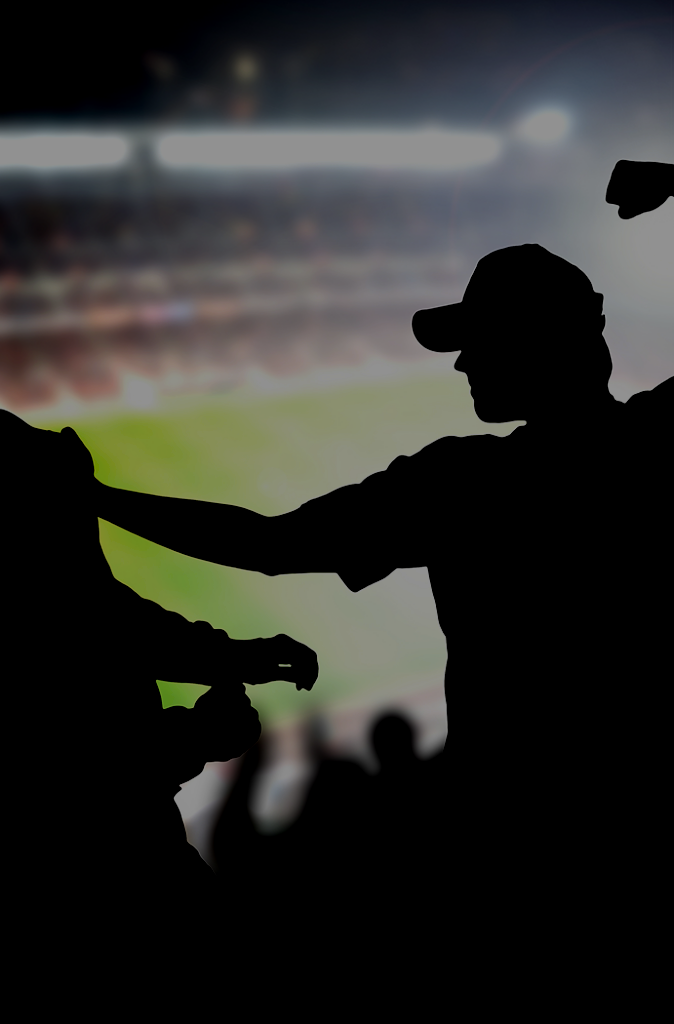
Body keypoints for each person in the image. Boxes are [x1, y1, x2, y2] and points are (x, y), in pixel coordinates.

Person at [75, 160, 671, 910]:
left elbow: (268, 544)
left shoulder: (466, 485)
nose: (462, 360)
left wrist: (92, 496)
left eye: (479, 339)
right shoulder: (659, 440)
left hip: (516, 846)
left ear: (536, 345)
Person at [0, 408, 319, 991]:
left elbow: (105, 615)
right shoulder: (36, 553)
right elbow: (70, 782)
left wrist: (231, 657)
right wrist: (196, 736)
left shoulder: (43, 561)